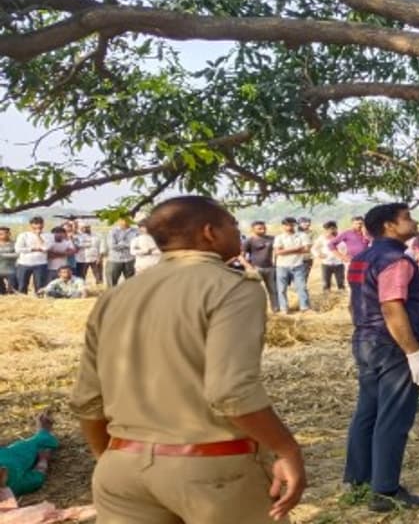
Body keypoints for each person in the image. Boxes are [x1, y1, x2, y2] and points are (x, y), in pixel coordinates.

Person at [69, 196, 306, 524]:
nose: (237, 235)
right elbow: (231, 392)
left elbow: (87, 401)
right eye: (232, 226)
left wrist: (109, 457)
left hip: (122, 467)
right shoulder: (231, 287)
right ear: (210, 232)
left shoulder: (116, 296)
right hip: (212, 470)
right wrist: (287, 448)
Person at [343, 203, 419, 513]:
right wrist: (414, 353)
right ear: (389, 226)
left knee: (367, 411)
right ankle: (385, 490)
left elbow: (355, 302)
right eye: (407, 218)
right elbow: (391, 307)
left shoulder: (360, 258)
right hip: (392, 344)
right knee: (393, 417)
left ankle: (358, 479)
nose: (414, 222)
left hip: (365, 340)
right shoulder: (396, 260)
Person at [0, 411, 58, 498]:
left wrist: (43, 459)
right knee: (40, 442)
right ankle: (44, 432)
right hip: (18, 455)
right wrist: (43, 460)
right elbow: (38, 477)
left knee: (38, 442)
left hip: (14, 454)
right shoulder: (15, 484)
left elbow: (37, 477)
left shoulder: (13, 483)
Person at [273, 217, 312, 314]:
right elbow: (278, 252)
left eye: (291, 224)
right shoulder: (279, 237)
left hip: (298, 265)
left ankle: (304, 307)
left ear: (295, 225)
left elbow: (307, 249)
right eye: (287, 225)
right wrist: (296, 249)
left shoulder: (302, 235)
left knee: (301, 287)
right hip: (282, 266)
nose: (289, 227)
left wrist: (285, 250)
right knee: (282, 289)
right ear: (283, 226)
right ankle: (284, 308)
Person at [242, 221, 278, 314]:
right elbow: (240, 256)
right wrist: (249, 267)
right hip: (256, 268)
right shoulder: (249, 241)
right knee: (255, 291)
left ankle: (275, 309)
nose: (263, 230)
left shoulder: (272, 239)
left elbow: (279, 248)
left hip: (270, 268)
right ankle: (256, 311)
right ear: (252, 229)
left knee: (273, 290)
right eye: (260, 228)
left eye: (264, 228)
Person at [14, 217, 53, 296]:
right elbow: (18, 249)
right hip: (24, 263)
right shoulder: (23, 235)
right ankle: (22, 302)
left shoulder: (48, 235)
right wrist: (33, 249)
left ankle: (39, 302)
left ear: (43, 225)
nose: (38, 228)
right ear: (30, 225)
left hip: (40, 264)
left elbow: (46, 248)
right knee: (22, 285)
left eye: (40, 227)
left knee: (40, 286)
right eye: (35, 227)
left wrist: (38, 236)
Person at [330, 216, 371, 280]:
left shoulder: (367, 233)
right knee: (355, 280)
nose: (359, 225)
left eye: (361, 223)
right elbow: (331, 244)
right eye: (356, 223)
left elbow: (373, 243)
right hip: (352, 260)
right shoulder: (347, 233)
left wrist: (365, 233)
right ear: (352, 224)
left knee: (366, 280)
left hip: (366, 260)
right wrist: (341, 256)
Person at [314, 221, 346, 293]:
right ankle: (326, 299)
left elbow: (347, 247)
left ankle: (342, 299)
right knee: (326, 284)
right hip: (326, 263)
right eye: (327, 229)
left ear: (335, 228)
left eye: (332, 228)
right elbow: (314, 248)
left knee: (341, 283)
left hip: (339, 263)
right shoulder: (322, 238)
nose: (330, 231)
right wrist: (318, 254)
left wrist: (343, 255)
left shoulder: (341, 237)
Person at [105, 218, 137, 288]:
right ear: (119, 220)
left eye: (127, 219)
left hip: (130, 259)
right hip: (115, 260)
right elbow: (112, 246)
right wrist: (129, 244)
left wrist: (120, 244)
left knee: (131, 283)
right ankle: (112, 297)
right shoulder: (113, 231)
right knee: (112, 283)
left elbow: (137, 244)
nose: (125, 221)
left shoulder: (136, 232)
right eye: (122, 219)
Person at [297, 217, 314, 283]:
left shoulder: (312, 233)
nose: (307, 224)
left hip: (307, 258)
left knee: (305, 275)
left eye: (308, 222)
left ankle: (302, 287)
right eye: (304, 222)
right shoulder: (294, 233)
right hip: (296, 257)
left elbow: (314, 244)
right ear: (299, 224)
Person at [0, 227, 16, 295]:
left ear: (9, 234)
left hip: (11, 270)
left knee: (12, 291)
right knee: (1, 293)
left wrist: (3, 255)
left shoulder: (15, 243)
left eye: (3, 233)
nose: (1, 235)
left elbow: (18, 255)